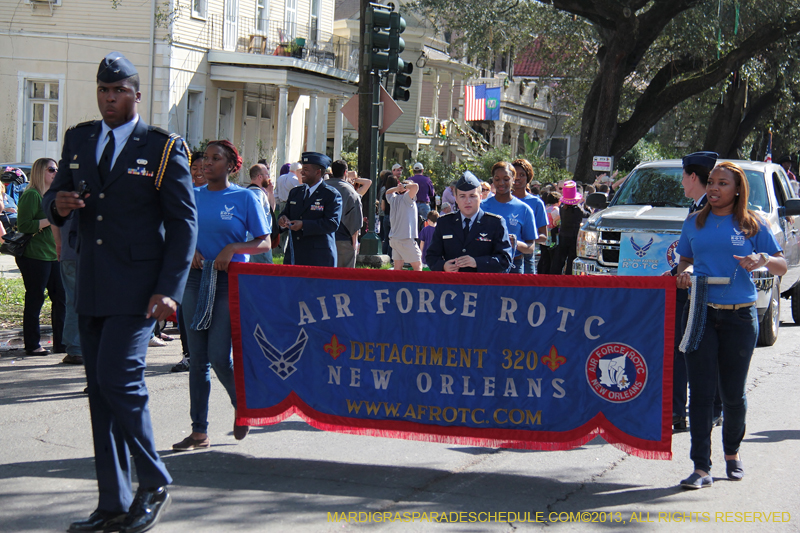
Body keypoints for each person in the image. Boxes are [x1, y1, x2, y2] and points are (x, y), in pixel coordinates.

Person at [44, 52, 197, 533]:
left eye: (118, 92)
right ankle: (113, 502)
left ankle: (153, 481)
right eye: (103, 91)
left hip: (139, 291)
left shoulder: (163, 147)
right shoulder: (79, 138)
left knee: (119, 381)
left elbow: (183, 223)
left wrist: (169, 290)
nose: (109, 99)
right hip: (90, 284)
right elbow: (55, 199)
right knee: (100, 394)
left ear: (135, 94)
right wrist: (60, 204)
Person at [675, 161, 785, 489]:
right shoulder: (694, 222)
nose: (713, 188)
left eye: (722, 183)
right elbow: (686, 260)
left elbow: (780, 265)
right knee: (701, 394)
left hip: (740, 317)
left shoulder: (753, 224)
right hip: (701, 314)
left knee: (732, 395)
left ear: (737, 190)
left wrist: (762, 259)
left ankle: (732, 453)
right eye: (711, 182)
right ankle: (700, 467)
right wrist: (686, 273)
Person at [172, 140, 270, 452]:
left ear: (231, 165)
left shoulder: (245, 197)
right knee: (197, 359)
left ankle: (243, 405)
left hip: (229, 281)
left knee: (218, 355)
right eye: (205, 159)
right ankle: (198, 432)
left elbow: (264, 243)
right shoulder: (191, 196)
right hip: (195, 280)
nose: (208, 164)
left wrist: (233, 248)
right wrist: (192, 252)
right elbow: (177, 235)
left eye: (217, 159)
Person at [672, 151, 719, 432]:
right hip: (687, 286)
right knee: (681, 347)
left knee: (698, 350)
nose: (681, 182)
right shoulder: (696, 207)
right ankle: (678, 410)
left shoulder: (712, 209)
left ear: (692, 176)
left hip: (706, 293)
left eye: (683, 176)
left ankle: (711, 408)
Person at [16, 158, 67, 357]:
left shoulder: (51, 196)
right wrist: (52, 218)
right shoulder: (32, 195)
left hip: (54, 256)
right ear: (40, 172)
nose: (55, 173)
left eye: (57, 170)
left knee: (60, 299)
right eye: (51, 170)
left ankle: (61, 343)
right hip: (35, 256)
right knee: (35, 299)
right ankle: (32, 344)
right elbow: (24, 225)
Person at [426, 171, 512, 272]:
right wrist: (443, 266)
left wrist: (477, 262)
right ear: (456, 199)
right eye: (462, 196)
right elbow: (431, 256)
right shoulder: (444, 222)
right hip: (452, 285)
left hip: (482, 285)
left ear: (480, 197)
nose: (467, 201)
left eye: (472, 196)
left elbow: (505, 260)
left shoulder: (495, 223)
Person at [278, 152, 342, 267]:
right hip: (295, 255)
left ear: (318, 172)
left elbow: (332, 223)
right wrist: (282, 220)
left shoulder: (330, 194)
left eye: (306, 169)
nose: (302, 172)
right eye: (302, 168)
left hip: (318, 258)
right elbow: (285, 213)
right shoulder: (296, 192)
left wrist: (303, 225)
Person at [481, 162, 537, 274]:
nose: (501, 183)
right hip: (487, 264)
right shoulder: (481, 207)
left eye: (506, 179)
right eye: (497, 179)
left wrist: (516, 243)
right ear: (493, 180)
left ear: (513, 180)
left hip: (514, 266)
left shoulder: (524, 209)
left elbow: (531, 247)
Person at [512, 158, 548, 274]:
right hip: (503, 255)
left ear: (528, 178)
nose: (518, 178)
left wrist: (523, 238)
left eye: (522, 175)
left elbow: (544, 236)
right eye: (515, 174)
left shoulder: (536, 203)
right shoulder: (501, 200)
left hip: (527, 257)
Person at [326, 160, 363, 268]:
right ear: (345, 172)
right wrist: (354, 242)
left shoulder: (321, 188)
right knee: (344, 277)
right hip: (343, 239)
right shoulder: (351, 192)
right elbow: (355, 220)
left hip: (321, 239)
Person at [551, 181, 589, 275]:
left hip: (563, 235)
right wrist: (585, 206)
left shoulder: (562, 208)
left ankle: (555, 275)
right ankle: (569, 276)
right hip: (574, 236)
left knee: (560, 258)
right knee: (571, 258)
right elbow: (587, 214)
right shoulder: (578, 210)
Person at [385, 179, 422, 271]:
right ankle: (417, 285)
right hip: (405, 239)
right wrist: (404, 187)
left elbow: (387, 192)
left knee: (397, 267)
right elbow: (416, 186)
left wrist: (397, 188)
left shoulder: (393, 199)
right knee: (418, 265)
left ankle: (396, 285)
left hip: (394, 239)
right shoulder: (407, 198)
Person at [246, 163, 274, 264]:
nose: (269, 177)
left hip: (259, 240)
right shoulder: (256, 193)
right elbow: (256, 218)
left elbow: (270, 212)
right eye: (267, 175)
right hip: (259, 240)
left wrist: (270, 192)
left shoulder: (257, 192)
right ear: (260, 177)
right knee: (265, 273)